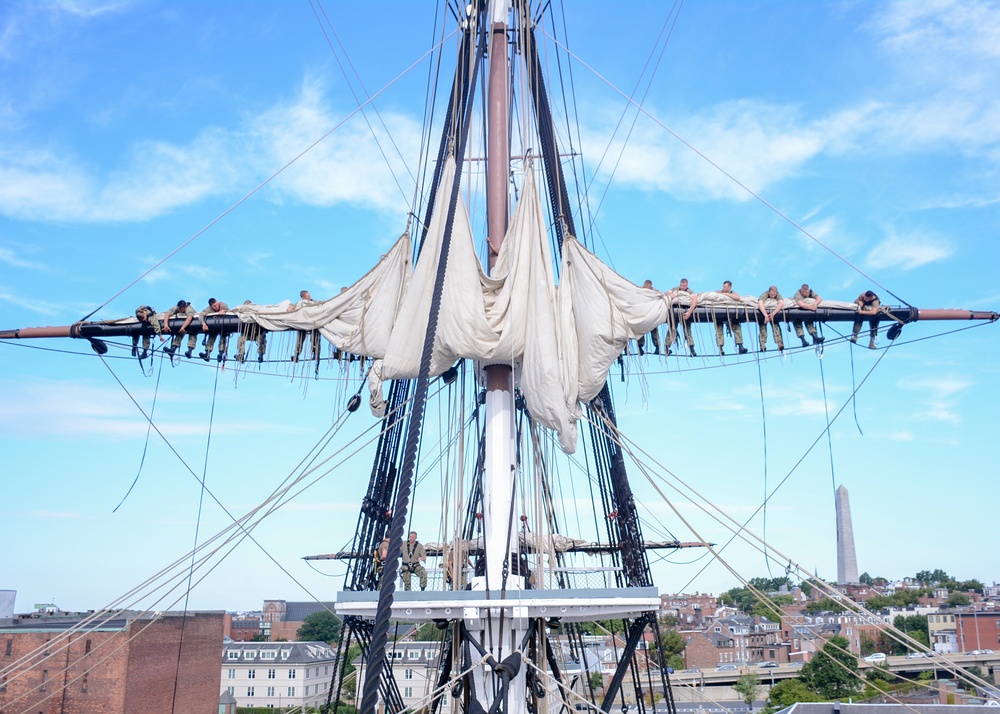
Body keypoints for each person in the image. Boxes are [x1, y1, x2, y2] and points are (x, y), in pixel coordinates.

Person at [713, 281, 748, 356]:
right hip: (718, 313)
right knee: (719, 331)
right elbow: (712, 296)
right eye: (723, 286)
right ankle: (720, 349)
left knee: (737, 328)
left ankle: (740, 346)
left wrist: (726, 294)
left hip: (731, 313)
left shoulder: (733, 293)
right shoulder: (718, 292)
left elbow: (737, 298)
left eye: (725, 287)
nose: (723, 288)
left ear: (729, 287)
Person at [666, 278, 698, 357]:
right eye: (681, 285)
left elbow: (694, 300)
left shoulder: (690, 292)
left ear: (687, 285)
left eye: (684, 285)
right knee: (672, 329)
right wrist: (671, 295)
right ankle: (666, 347)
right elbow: (666, 294)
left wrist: (689, 312)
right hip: (674, 311)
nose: (682, 287)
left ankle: (691, 349)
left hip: (685, 310)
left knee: (687, 331)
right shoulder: (675, 289)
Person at [288, 290, 321, 362]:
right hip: (302, 323)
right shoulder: (300, 303)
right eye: (308, 296)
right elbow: (291, 309)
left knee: (315, 338)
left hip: (313, 322)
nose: (310, 297)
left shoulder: (314, 302)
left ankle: (315, 353)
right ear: (303, 297)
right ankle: (296, 355)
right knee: (300, 339)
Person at [792, 283, 825, 348]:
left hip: (807, 311)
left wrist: (815, 304)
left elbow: (819, 298)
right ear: (801, 290)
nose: (804, 293)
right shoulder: (797, 294)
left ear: (808, 290)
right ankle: (803, 340)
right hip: (798, 311)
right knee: (797, 324)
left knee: (809, 321)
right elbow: (801, 304)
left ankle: (815, 337)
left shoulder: (811, 292)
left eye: (806, 292)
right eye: (803, 292)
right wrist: (811, 308)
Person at [638, 279, 662, 355]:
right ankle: (640, 347)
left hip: (651, 314)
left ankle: (657, 347)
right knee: (640, 330)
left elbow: (661, 295)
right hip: (642, 313)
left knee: (654, 330)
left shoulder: (655, 291)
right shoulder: (639, 290)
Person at [757, 286, 784, 352]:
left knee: (775, 327)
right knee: (763, 328)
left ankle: (779, 343)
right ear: (769, 292)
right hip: (763, 314)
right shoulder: (764, 294)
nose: (773, 296)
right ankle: (762, 344)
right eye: (771, 294)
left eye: (774, 294)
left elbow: (781, 303)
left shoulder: (778, 295)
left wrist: (773, 314)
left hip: (773, 314)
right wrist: (766, 316)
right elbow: (760, 304)